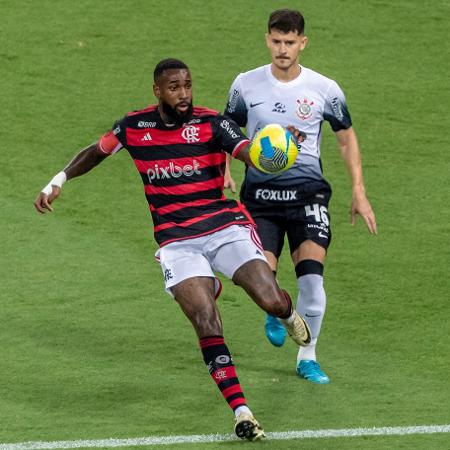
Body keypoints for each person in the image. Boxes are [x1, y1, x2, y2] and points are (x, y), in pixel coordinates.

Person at [34, 58, 312, 441]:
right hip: (176, 242)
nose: (183, 94)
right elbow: (96, 151)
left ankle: (286, 311)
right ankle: (242, 412)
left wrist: (276, 151)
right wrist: (58, 180)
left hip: (224, 228)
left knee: (268, 299)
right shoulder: (134, 127)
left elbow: (247, 151)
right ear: (158, 91)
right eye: (174, 87)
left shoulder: (212, 123)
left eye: (187, 85)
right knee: (205, 320)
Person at [224, 10, 377, 384]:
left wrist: (359, 189)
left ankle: (307, 357)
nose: (282, 49)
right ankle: (276, 310)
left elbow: (345, 138)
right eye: (276, 41)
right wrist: (223, 169)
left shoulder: (324, 89)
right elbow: (226, 128)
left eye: (289, 42)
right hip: (259, 198)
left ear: (302, 43)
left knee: (312, 280)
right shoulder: (246, 84)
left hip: (308, 197)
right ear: (267, 40)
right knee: (262, 279)